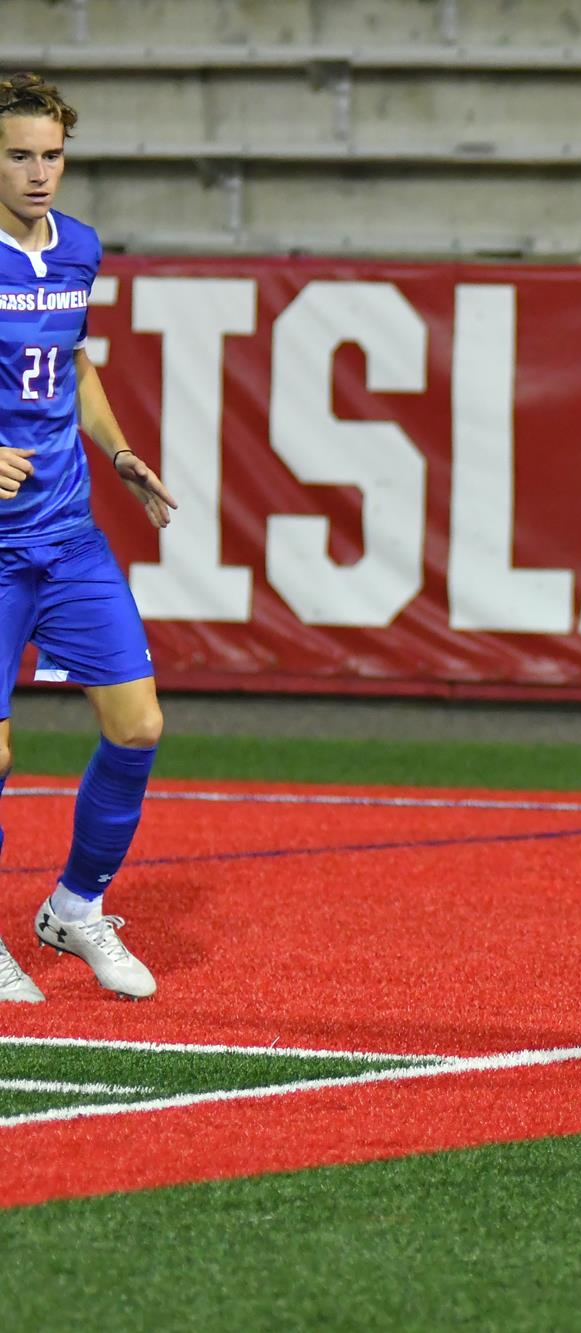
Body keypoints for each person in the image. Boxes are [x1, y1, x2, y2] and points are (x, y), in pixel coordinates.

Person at [0, 73, 177, 1003]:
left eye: (52, 154)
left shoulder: (77, 249)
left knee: (139, 723)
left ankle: (74, 907)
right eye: (20, 155)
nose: (40, 173)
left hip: (65, 533)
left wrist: (118, 453)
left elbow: (71, 366)